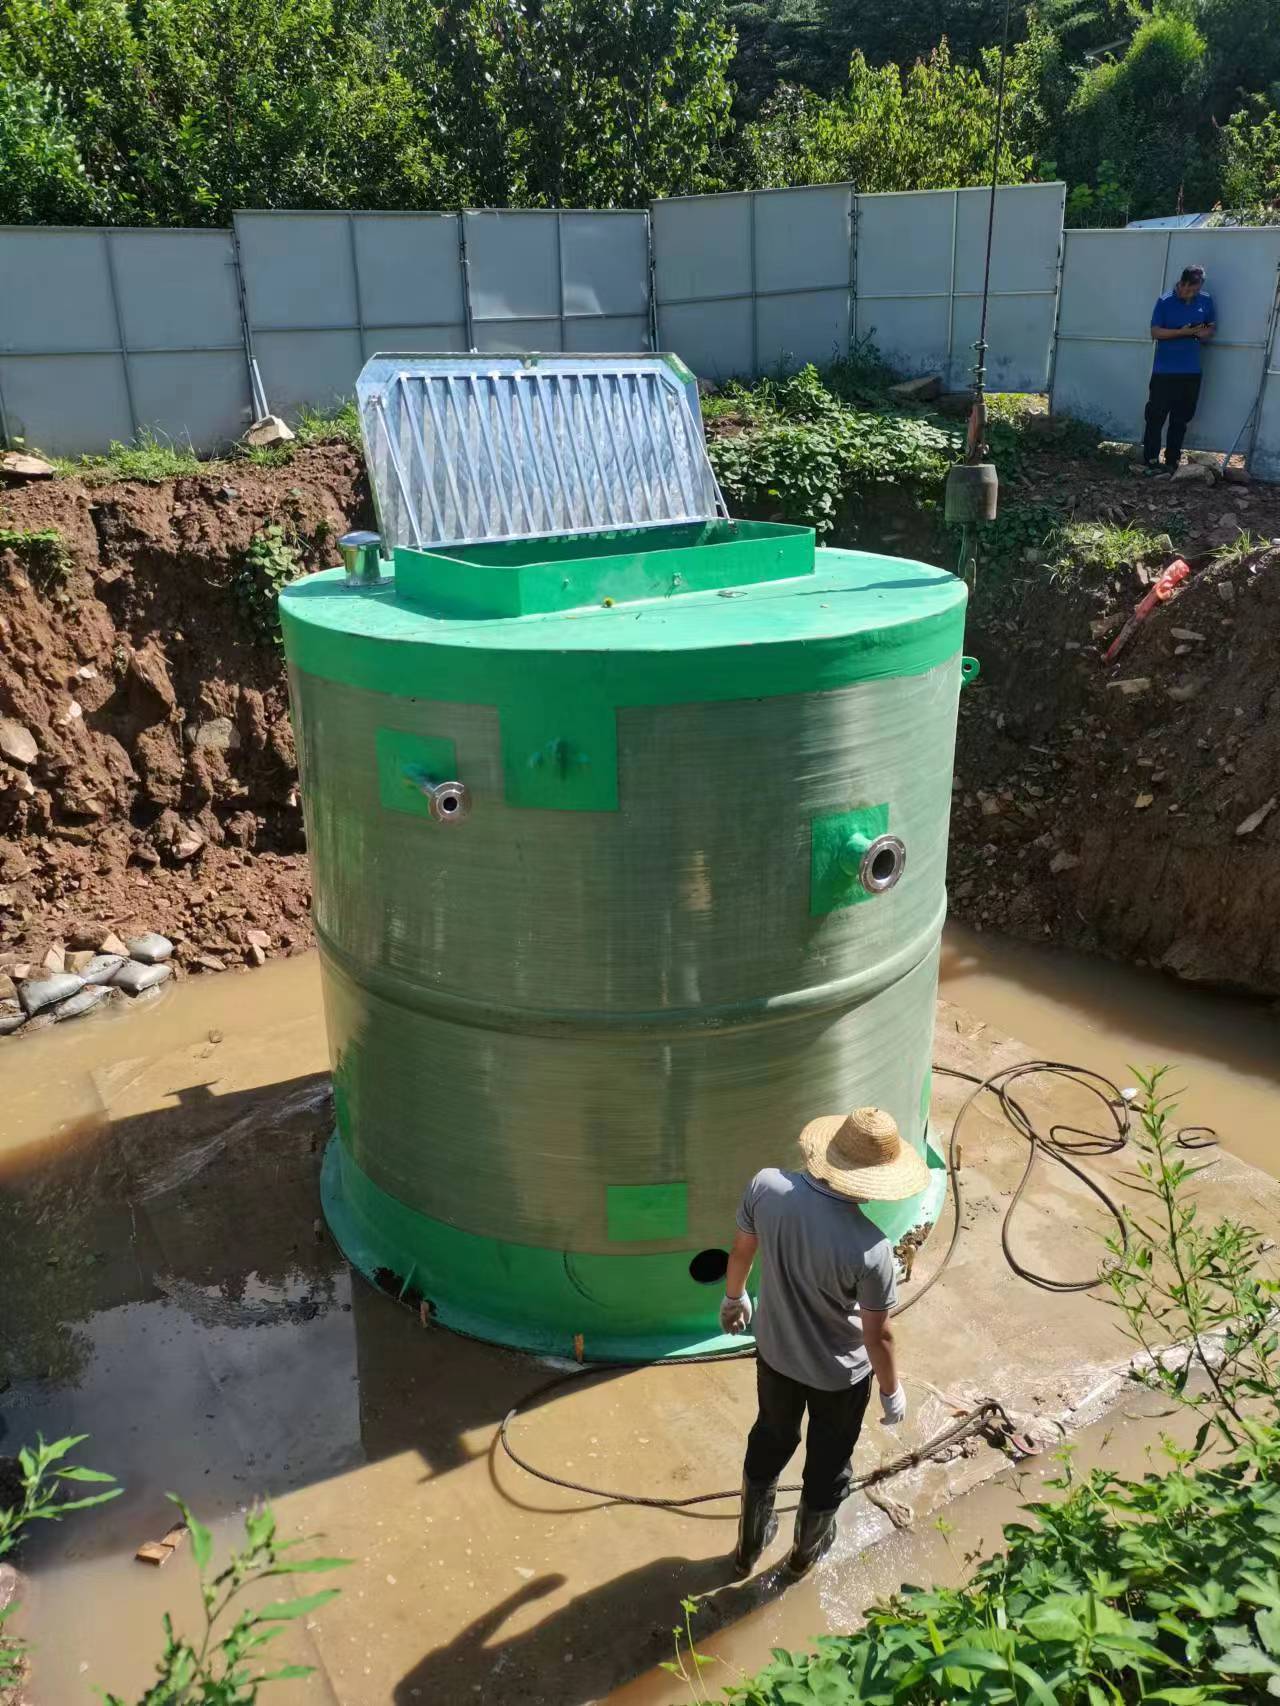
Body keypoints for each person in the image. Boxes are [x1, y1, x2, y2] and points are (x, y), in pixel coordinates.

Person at [719, 1105, 928, 1578]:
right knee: (828, 1464)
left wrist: (734, 1298)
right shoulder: (871, 1249)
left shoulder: (767, 1187)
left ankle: (748, 1546)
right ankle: (802, 1556)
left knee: (769, 1441)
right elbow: (879, 1336)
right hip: (839, 1378)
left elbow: (740, 1250)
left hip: (775, 1354)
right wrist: (893, 1392)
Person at [1144, 265, 1216, 473]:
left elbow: (1211, 326)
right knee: (1156, 416)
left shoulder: (1205, 300)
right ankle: (1150, 459)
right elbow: (1155, 332)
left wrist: (1203, 333)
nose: (1191, 294)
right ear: (1182, 283)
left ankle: (1172, 460)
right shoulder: (1165, 301)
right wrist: (1182, 332)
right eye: (1189, 290)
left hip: (1191, 370)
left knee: (1181, 418)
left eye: (1196, 290)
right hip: (1165, 371)